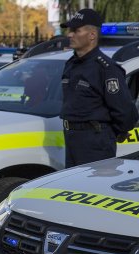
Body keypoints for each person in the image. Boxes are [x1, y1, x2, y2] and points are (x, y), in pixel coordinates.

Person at [60, 8, 138, 168]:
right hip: (72, 138)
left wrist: (108, 133)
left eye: (76, 30)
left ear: (92, 35)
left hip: (95, 142)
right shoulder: (71, 65)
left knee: (93, 188)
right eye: (69, 30)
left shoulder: (106, 68)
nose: (69, 34)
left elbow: (124, 110)